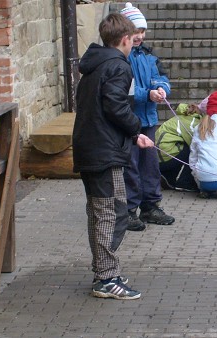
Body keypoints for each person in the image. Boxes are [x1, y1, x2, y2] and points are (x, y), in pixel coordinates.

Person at [73, 13, 150, 300]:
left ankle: (105, 271)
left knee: (101, 211)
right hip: (104, 151)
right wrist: (136, 127)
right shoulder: (118, 66)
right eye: (133, 39)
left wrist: (132, 135)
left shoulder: (95, 64)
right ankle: (105, 276)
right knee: (112, 212)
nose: (134, 43)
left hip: (90, 146)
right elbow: (115, 106)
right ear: (125, 39)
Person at [120, 3, 174, 231]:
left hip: (149, 120)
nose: (140, 36)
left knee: (150, 165)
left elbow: (161, 77)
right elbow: (127, 91)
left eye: (142, 31)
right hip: (130, 121)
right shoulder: (122, 58)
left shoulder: (149, 56)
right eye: (135, 32)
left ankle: (150, 206)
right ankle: (130, 210)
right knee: (131, 166)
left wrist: (162, 89)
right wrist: (147, 94)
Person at [155, 101, 204, 192]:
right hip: (165, 157)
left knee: (181, 146)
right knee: (193, 150)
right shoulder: (193, 123)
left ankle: (168, 177)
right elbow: (196, 147)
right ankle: (185, 183)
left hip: (157, 157)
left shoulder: (182, 116)